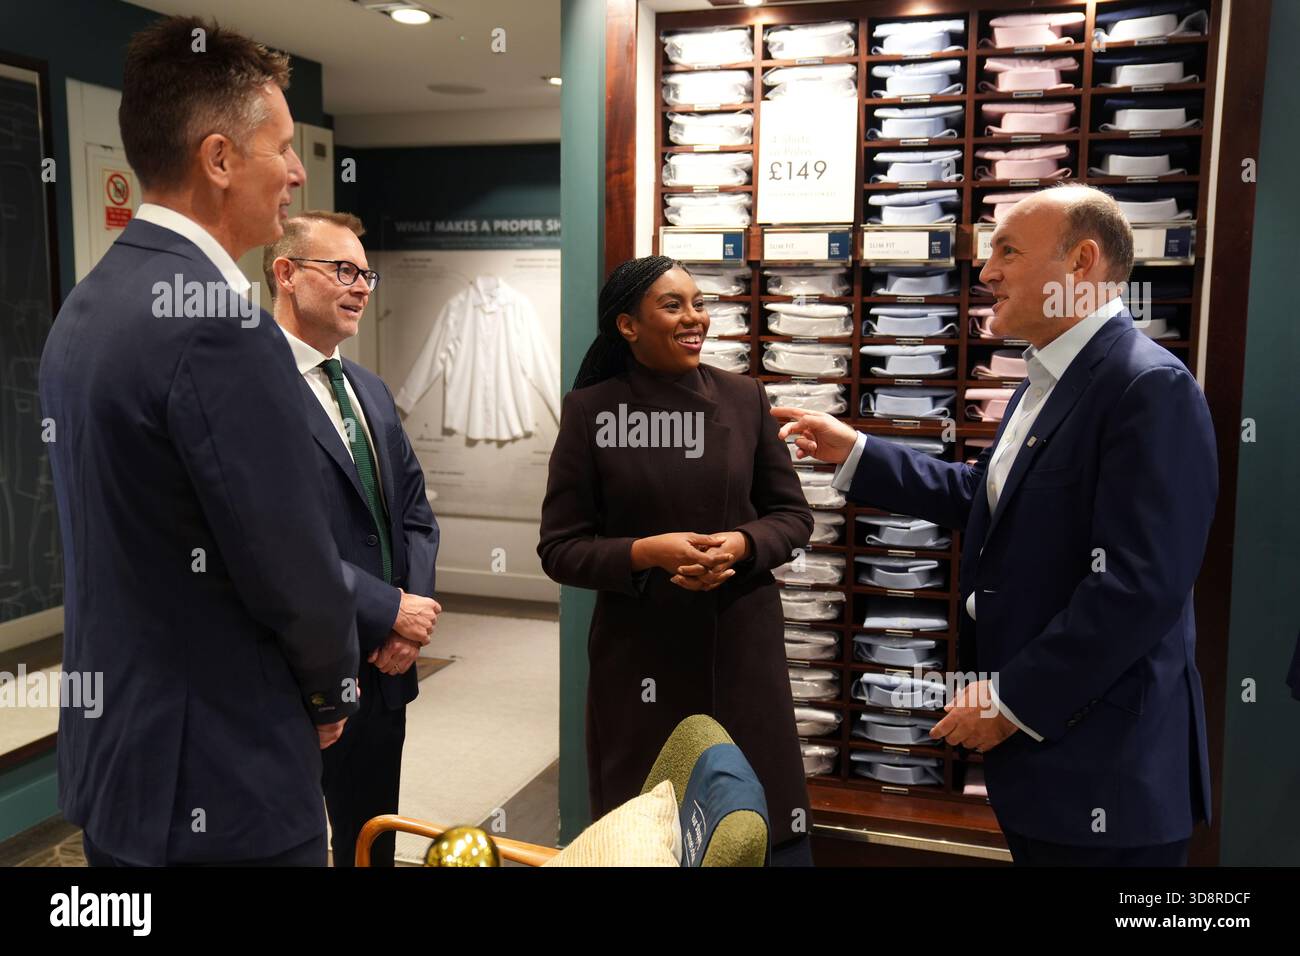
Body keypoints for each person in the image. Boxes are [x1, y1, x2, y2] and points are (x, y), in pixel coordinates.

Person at [774, 184, 1217, 866]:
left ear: (1082, 264)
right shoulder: (1045, 379)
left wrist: (1012, 700)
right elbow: (987, 496)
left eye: (1008, 250)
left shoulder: (1146, 386)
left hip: (1109, 769)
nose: (986, 273)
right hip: (1053, 764)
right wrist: (855, 452)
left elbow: (1138, 587)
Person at [39, 16, 359, 866]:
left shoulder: (88, 304)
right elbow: (288, 557)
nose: (297, 172)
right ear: (219, 160)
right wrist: (334, 687)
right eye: (283, 148)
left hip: (121, 759)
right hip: (221, 771)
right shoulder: (219, 324)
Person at [538, 256, 815, 865]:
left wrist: (741, 546)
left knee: (761, 827)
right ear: (627, 326)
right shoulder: (591, 412)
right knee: (650, 835)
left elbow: (793, 518)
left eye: (698, 303)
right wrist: (646, 553)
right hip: (641, 658)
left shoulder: (745, 399)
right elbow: (559, 548)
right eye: (673, 306)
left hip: (740, 648)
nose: (695, 318)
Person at [263, 211, 441, 866]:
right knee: (292, 844)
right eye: (343, 270)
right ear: (286, 274)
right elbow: (273, 544)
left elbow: (415, 513)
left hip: (386, 667)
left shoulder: (369, 388)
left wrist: (407, 623)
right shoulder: (251, 391)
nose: (362, 286)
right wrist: (386, 607)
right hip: (299, 670)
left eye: (367, 273)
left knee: (373, 842)